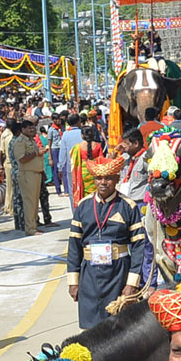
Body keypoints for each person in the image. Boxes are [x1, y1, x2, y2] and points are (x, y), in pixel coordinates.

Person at [66, 155, 146, 329]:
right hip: (90, 275)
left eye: (109, 178)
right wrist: (73, 281)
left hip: (118, 273)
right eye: (99, 178)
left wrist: (132, 283)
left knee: (119, 328)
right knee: (91, 329)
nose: (103, 182)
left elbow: (140, 246)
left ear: (117, 179)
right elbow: (74, 246)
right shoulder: (83, 206)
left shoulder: (128, 206)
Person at [10, 119, 44, 236]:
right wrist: (36, 154)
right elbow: (22, 158)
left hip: (35, 173)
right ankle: (30, 229)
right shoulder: (20, 142)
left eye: (33, 128)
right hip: (26, 174)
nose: (32, 130)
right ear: (23, 129)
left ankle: (34, 226)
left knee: (34, 202)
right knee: (29, 202)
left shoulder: (31, 141)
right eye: (29, 128)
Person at [70, 124, 107, 206]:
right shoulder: (98, 146)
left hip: (83, 174)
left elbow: (73, 163)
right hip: (94, 172)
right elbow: (101, 160)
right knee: (96, 192)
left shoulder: (77, 147)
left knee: (85, 193)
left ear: (82, 135)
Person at [58, 113, 85, 192]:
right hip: (83, 164)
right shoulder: (83, 133)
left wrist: (60, 167)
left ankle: (73, 204)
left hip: (71, 165)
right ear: (78, 122)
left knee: (72, 188)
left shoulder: (65, 135)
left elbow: (63, 152)